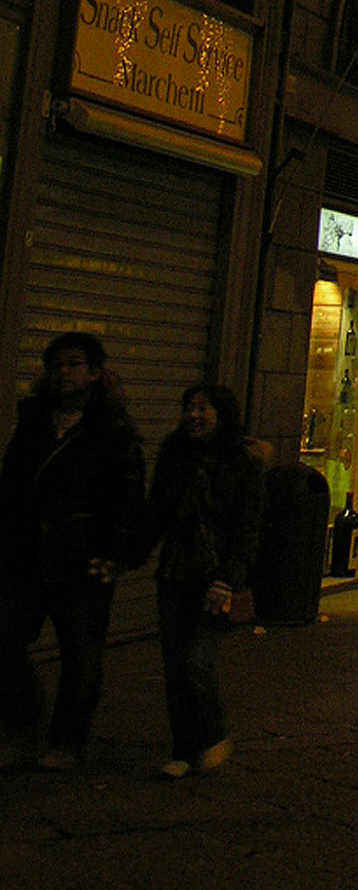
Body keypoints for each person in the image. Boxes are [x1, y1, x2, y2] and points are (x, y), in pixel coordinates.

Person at [0, 332, 144, 770]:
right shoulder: (33, 421)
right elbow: (12, 485)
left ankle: (67, 740)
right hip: (28, 554)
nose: (64, 372)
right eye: (57, 364)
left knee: (81, 656)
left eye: (74, 364)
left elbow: (129, 495)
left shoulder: (113, 430)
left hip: (84, 559)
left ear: (95, 373)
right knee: (5, 640)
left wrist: (114, 553)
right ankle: (21, 726)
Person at [134, 382, 263, 776]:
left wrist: (230, 577)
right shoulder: (174, 457)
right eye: (189, 407)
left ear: (221, 414)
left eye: (203, 408)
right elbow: (156, 513)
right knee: (175, 667)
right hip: (176, 574)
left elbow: (247, 527)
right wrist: (124, 556)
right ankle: (183, 749)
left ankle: (214, 731)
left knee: (196, 663)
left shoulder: (243, 464)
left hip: (216, 579)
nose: (194, 415)